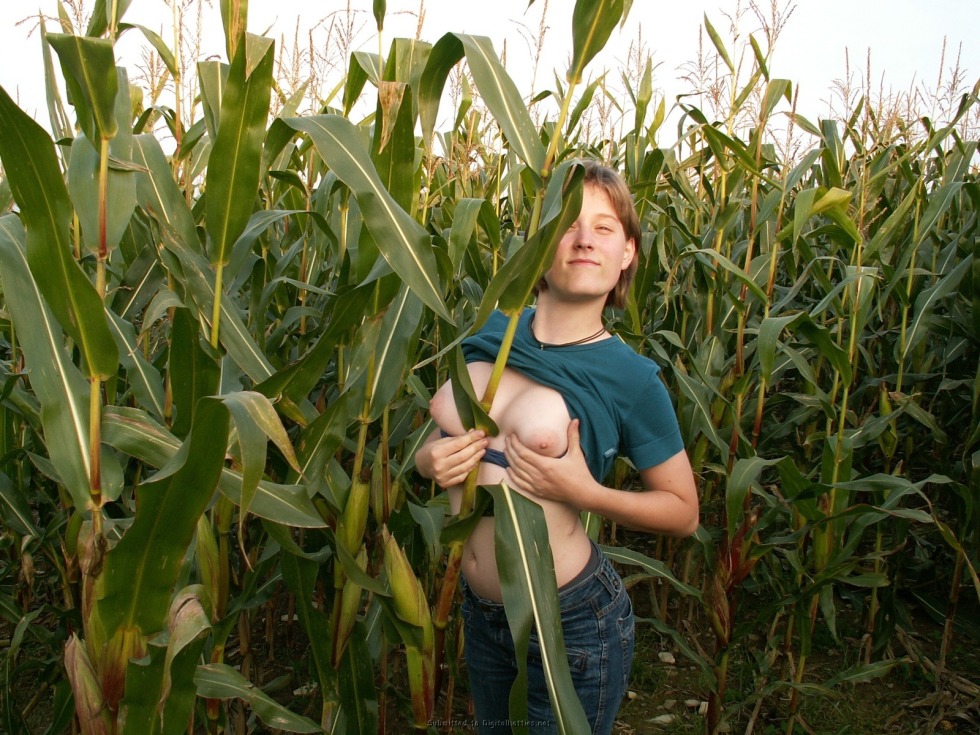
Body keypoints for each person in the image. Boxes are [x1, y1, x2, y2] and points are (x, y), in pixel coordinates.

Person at [414, 159, 699, 734]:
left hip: (568, 621)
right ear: (541, 243)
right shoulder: (489, 333)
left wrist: (584, 491)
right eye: (568, 223)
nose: (584, 239)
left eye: (604, 227)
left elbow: (683, 512)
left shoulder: (631, 378)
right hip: (482, 613)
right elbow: (432, 442)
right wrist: (428, 461)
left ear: (628, 254)